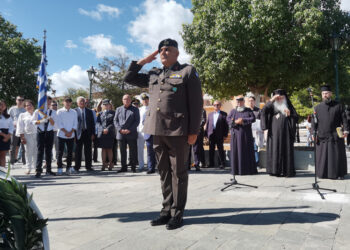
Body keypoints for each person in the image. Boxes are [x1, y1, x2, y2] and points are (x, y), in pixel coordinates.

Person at [124, 38, 203, 230]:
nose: (163, 53)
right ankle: (166, 210)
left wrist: (194, 131)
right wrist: (142, 61)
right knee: (164, 173)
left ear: (177, 53)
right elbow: (129, 78)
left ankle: (177, 213)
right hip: (157, 130)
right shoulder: (154, 73)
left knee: (179, 174)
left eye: (167, 50)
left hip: (178, 131)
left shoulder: (187, 71)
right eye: (160, 50)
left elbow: (196, 103)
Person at [312, 85, 348, 180]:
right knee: (323, 157)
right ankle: (323, 174)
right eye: (323, 94)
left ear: (331, 94)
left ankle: (338, 173)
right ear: (321, 95)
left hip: (335, 135)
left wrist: (346, 130)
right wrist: (313, 133)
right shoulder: (317, 108)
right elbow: (313, 122)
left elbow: (344, 119)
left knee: (336, 156)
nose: (325, 95)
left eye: (327, 93)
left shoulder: (338, 106)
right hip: (322, 136)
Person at [261, 89, 298, 177]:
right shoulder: (271, 106)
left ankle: (286, 170)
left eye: (281, 98)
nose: (279, 99)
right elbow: (263, 111)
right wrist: (272, 100)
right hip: (274, 134)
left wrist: (290, 115)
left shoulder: (288, 106)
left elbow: (296, 117)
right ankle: (274, 170)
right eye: (277, 98)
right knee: (275, 150)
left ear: (285, 98)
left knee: (286, 150)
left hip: (286, 134)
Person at [227, 95, 257, 175]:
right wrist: (236, 122)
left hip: (246, 135)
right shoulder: (233, 111)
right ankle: (237, 170)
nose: (239, 103)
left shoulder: (248, 110)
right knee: (237, 152)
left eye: (241, 101)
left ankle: (248, 170)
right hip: (236, 135)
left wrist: (243, 120)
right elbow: (228, 120)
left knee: (247, 152)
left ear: (243, 102)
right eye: (237, 101)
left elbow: (253, 118)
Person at [114, 94, 140, 173]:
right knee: (122, 151)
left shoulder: (135, 109)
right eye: (125, 99)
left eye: (128, 99)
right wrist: (120, 129)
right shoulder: (118, 109)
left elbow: (137, 121)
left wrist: (129, 130)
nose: (126, 100)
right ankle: (123, 167)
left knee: (133, 151)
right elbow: (115, 121)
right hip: (121, 133)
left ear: (130, 100)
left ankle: (133, 167)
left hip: (131, 133)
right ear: (122, 100)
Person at [32, 96, 57, 177]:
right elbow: (32, 121)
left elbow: (53, 123)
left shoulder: (52, 112)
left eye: (49, 102)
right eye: (47, 102)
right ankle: (38, 170)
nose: (48, 103)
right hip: (41, 132)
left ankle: (48, 170)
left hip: (49, 132)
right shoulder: (38, 111)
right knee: (40, 151)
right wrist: (40, 121)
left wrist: (48, 117)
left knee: (48, 152)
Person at [56, 97, 77, 175]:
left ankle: (68, 168)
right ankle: (60, 168)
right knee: (60, 153)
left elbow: (75, 123)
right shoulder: (59, 112)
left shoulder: (74, 112)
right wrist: (65, 132)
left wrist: (71, 132)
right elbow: (58, 123)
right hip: (61, 134)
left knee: (70, 152)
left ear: (71, 103)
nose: (68, 103)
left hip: (71, 135)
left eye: (69, 102)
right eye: (66, 102)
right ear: (63, 103)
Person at [16, 100, 37, 175]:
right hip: (27, 135)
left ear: (33, 106)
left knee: (36, 152)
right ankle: (28, 168)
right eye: (27, 105)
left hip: (37, 135)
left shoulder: (37, 114)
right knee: (28, 152)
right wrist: (22, 137)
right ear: (24, 107)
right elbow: (20, 126)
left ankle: (36, 167)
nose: (28, 107)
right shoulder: (22, 115)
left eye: (30, 105)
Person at [74, 96, 96, 172]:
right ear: (77, 103)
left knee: (88, 150)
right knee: (78, 150)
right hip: (78, 133)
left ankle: (88, 166)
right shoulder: (74, 111)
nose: (82, 102)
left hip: (88, 132)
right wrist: (74, 134)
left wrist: (93, 133)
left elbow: (92, 123)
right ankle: (77, 166)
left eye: (83, 101)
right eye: (80, 101)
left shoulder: (89, 111)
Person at [205, 100, 228, 169]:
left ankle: (222, 164)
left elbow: (226, 126)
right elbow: (208, 124)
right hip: (211, 134)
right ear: (213, 106)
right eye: (214, 105)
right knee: (211, 149)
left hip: (220, 134)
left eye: (218, 105)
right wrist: (206, 134)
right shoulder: (210, 114)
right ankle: (211, 163)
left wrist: (225, 135)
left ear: (220, 106)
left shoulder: (224, 114)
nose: (216, 106)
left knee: (220, 149)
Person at [138, 93, 156, 174]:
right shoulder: (139, 109)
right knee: (140, 150)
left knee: (150, 151)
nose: (145, 101)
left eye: (146, 99)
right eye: (143, 99)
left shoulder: (152, 108)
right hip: (140, 132)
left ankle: (151, 167)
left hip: (149, 132)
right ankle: (141, 165)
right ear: (141, 101)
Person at [96, 99, 116, 171]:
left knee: (109, 149)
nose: (106, 106)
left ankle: (110, 164)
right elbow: (98, 123)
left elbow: (114, 123)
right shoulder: (100, 114)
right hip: (102, 133)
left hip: (110, 133)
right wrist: (102, 129)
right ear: (102, 106)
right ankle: (104, 164)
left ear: (109, 105)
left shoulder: (113, 113)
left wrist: (107, 129)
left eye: (107, 104)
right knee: (103, 149)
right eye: (104, 105)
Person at [247, 94, 264, 166]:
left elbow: (261, 121)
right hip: (247, 132)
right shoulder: (245, 111)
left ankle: (256, 163)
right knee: (247, 148)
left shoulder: (259, 111)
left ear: (254, 101)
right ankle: (248, 163)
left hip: (256, 133)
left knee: (255, 148)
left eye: (252, 101)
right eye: (249, 101)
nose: (251, 102)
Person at [9, 96, 26, 165]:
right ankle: (12, 162)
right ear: (16, 100)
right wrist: (13, 123)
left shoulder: (25, 109)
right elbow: (8, 119)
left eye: (22, 100)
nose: (21, 101)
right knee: (13, 147)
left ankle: (25, 163)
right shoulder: (12, 109)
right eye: (19, 100)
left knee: (24, 147)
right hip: (15, 130)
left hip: (24, 131)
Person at [0, 100, 14, 169]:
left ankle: (2, 173)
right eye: (0, 104)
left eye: (3, 105)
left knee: (3, 154)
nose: (2, 106)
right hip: (1, 134)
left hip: (6, 136)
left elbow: (11, 126)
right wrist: (2, 134)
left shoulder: (8, 116)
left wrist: (8, 135)